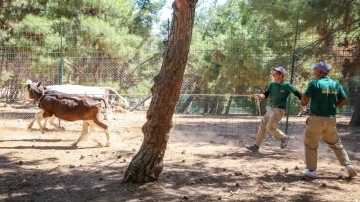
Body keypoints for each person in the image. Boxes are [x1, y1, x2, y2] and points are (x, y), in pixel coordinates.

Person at [300, 61, 357, 178]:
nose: (313, 72)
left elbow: (305, 98)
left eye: (315, 70)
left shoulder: (314, 83)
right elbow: (344, 100)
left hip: (317, 119)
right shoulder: (335, 84)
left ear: (319, 71)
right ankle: (348, 165)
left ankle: (311, 170)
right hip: (331, 120)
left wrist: (303, 102)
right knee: (336, 143)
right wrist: (333, 105)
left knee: (310, 143)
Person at [246, 66, 302, 152]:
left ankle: (284, 137)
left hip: (278, 111)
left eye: (275, 73)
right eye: (274, 72)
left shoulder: (287, 85)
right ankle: (256, 146)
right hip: (270, 110)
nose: (273, 74)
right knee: (263, 126)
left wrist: (303, 104)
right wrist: (259, 96)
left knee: (269, 127)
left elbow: (298, 94)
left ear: (280, 75)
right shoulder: (272, 84)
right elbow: (266, 95)